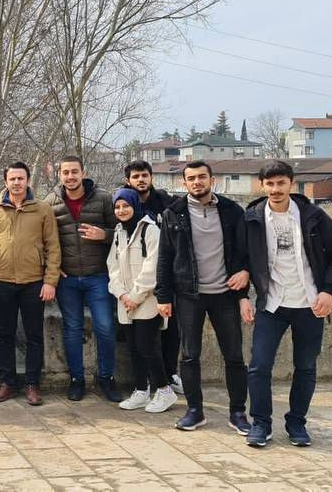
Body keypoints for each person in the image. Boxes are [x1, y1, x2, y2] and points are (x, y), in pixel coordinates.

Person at [244, 161, 332, 448]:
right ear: (262, 186)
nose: (276, 189)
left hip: (309, 304)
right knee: (258, 366)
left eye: (281, 183)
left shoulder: (313, 216)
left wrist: (330, 291)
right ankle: (261, 423)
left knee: (305, 367)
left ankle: (296, 423)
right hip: (272, 305)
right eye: (270, 184)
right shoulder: (252, 218)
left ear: (291, 184)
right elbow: (239, 260)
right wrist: (243, 295)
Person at [155, 160, 251, 433]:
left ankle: (237, 412)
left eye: (201, 177)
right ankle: (195, 411)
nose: (197, 182)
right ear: (183, 183)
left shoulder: (232, 211)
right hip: (189, 295)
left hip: (225, 294)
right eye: (191, 178)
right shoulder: (173, 213)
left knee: (233, 356)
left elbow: (244, 253)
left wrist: (244, 275)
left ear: (212, 180)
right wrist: (163, 296)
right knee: (189, 356)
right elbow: (165, 258)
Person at [0, 162, 60, 406]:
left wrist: (50, 281)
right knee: (5, 335)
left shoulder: (42, 210)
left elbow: (53, 247)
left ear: (27, 181)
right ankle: (7, 383)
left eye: (20, 178)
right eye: (12, 179)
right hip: (2, 282)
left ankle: (32, 384)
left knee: (34, 335)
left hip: (34, 283)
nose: (16, 183)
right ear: (6, 182)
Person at [44, 156, 120, 402]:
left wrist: (104, 235)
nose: (70, 176)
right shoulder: (50, 203)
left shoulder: (103, 198)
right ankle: (77, 379)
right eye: (65, 172)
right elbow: (42, 240)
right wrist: (53, 268)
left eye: (74, 172)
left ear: (83, 172)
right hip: (67, 279)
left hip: (98, 276)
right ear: (59, 175)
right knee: (72, 329)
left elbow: (121, 234)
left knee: (106, 327)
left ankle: (106, 377)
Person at [107, 189, 177, 414]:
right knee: (134, 348)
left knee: (148, 346)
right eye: (117, 207)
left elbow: (153, 267)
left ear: (135, 205)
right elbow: (113, 265)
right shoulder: (119, 232)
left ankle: (165, 390)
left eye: (125, 205)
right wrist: (121, 293)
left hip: (147, 300)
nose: (121, 210)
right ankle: (141, 390)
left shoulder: (150, 230)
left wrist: (135, 296)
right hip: (126, 301)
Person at [123, 160, 183, 395]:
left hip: (167, 275)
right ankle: (146, 380)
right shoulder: (123, 203)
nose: (141, 180)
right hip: (135, 278)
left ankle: (170, 373)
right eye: (136, 176)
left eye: (144, 175)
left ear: (151, 177)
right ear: (128, 180)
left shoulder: (166, 203)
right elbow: (118, 234)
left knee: (170, 328)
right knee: (141, 334)